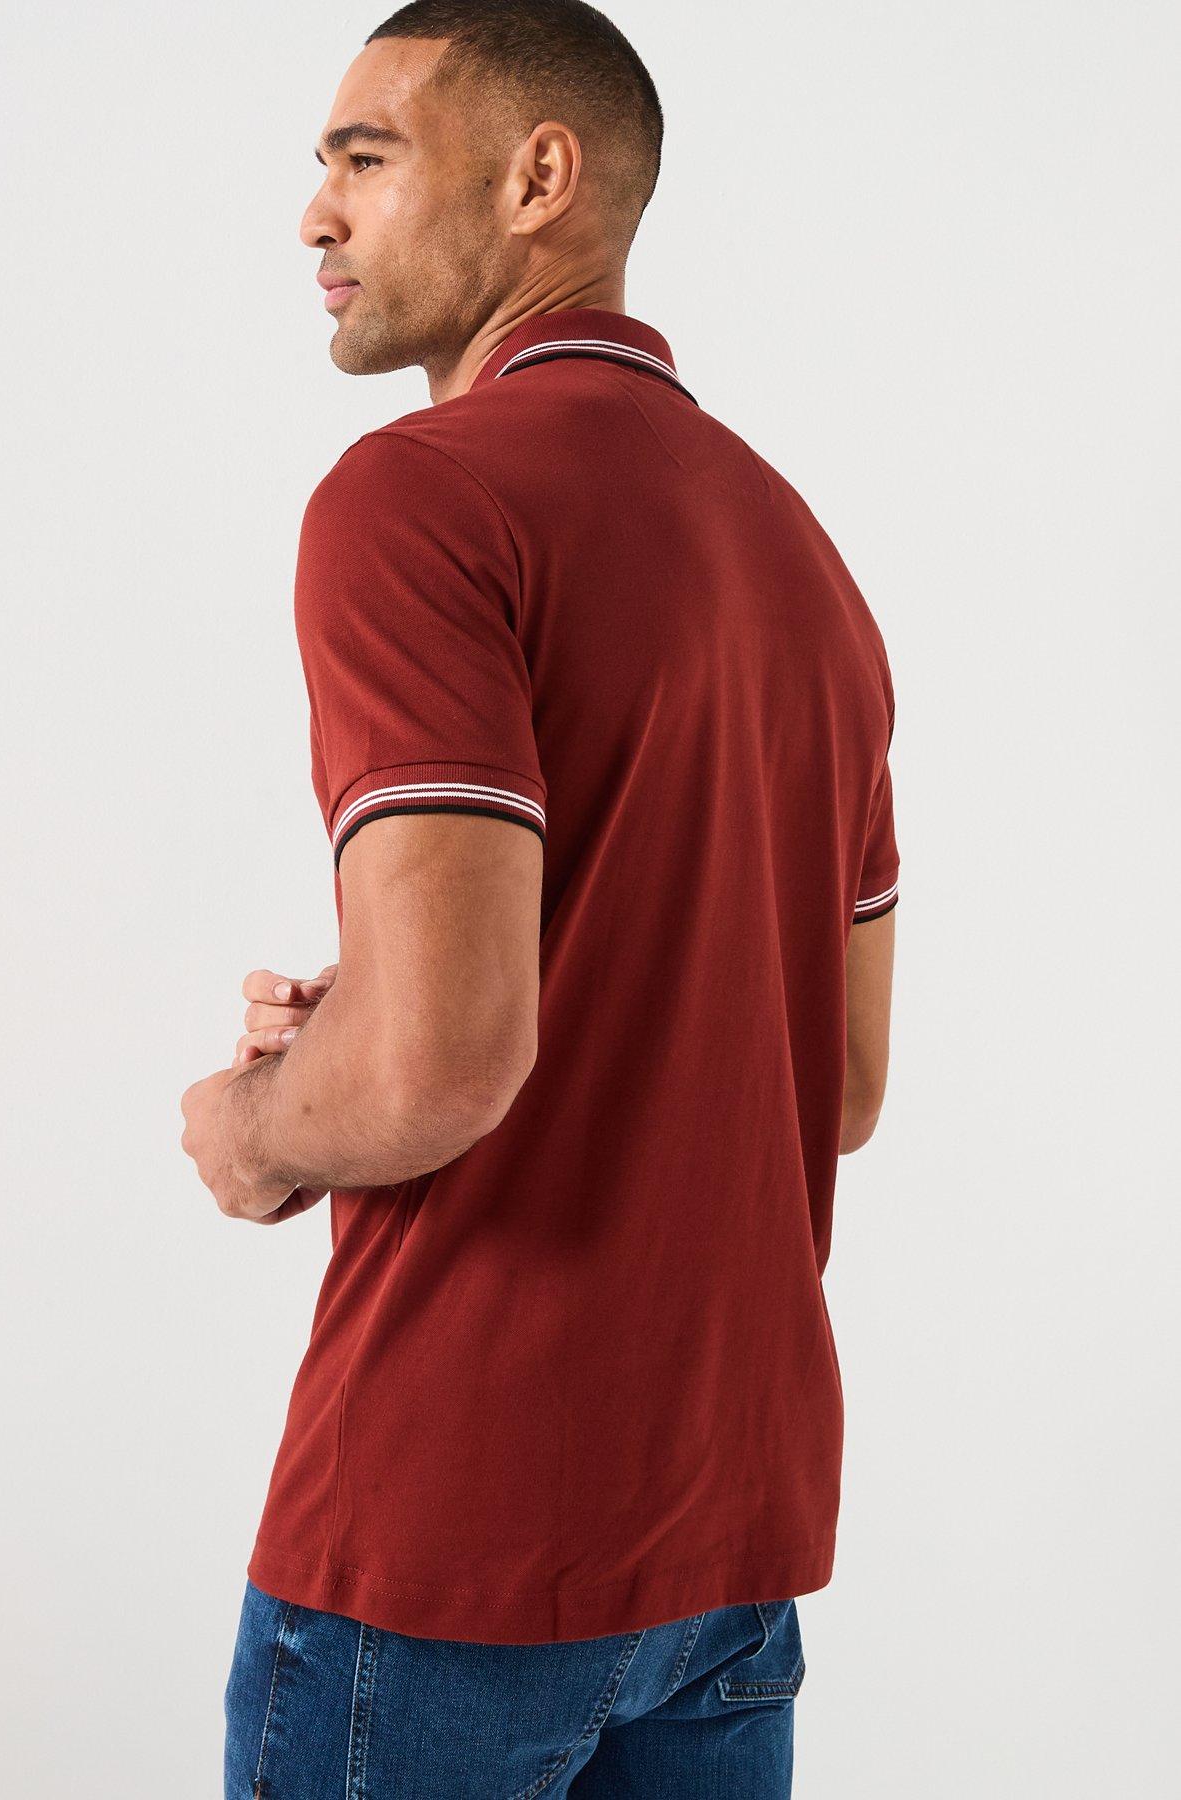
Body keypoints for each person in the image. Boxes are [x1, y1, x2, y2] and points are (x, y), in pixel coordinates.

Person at [178, 2, 899, 1792]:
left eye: (365, 157)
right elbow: (832, 1080)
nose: (314, 215)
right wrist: (386, 1016)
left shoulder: (416, 500)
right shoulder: (800, 557)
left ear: (537, 177)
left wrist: (256, 1125)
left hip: (451, 1541)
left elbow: (437, 1071)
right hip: (724, 1549)